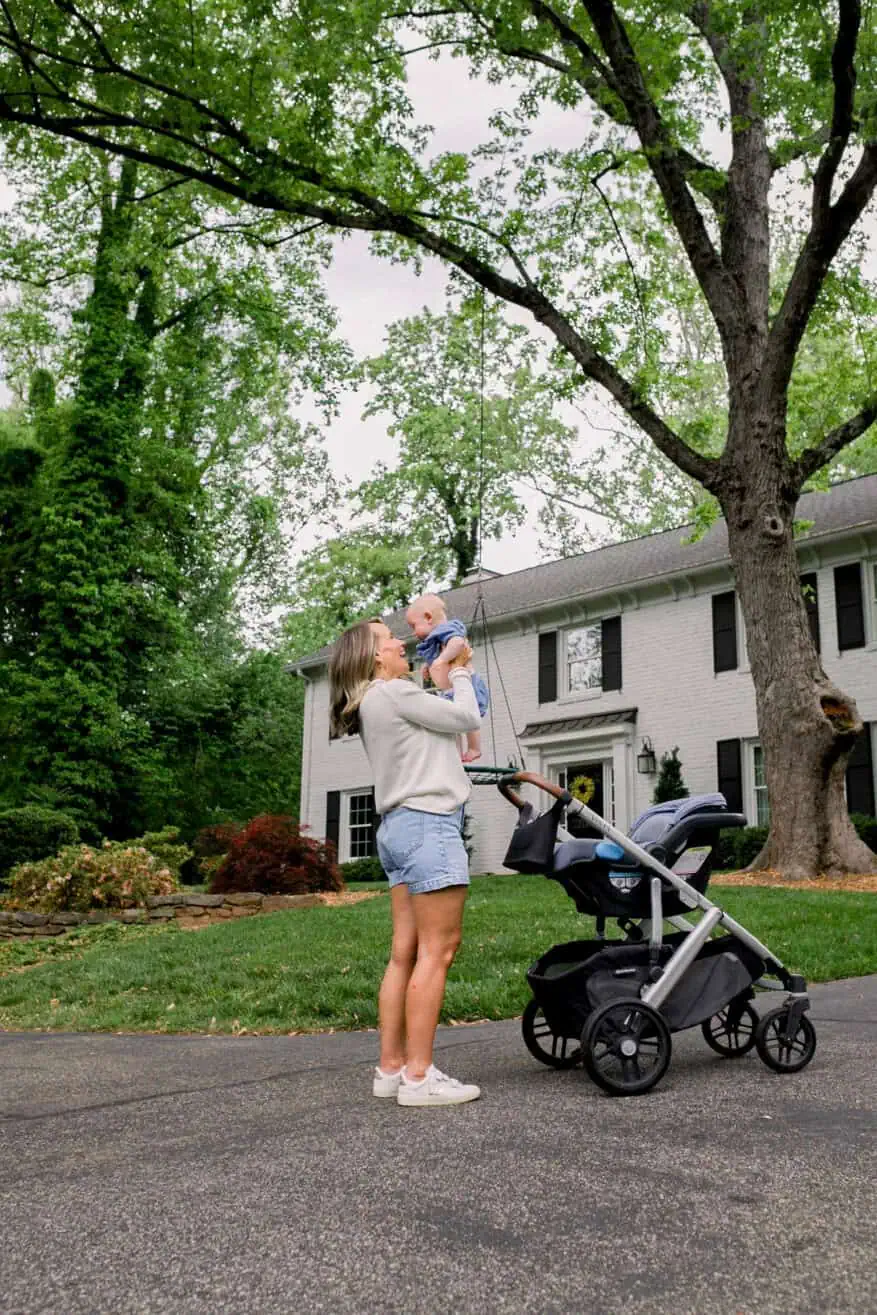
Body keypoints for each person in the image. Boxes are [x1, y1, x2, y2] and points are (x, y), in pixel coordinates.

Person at [328, 617, 482, 1107]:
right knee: (438, 950)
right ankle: (420, 1078)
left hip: (397, 828)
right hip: (428, 823)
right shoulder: (392, 692)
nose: (400, 641)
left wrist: (440, 674)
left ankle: (391, 1068)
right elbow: (464, 719)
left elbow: (435, 724)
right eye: (390, 638)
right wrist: (459, 673)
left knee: (405, 952)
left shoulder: (376, 701)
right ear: (375, 655)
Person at [405, 593, 489, 763]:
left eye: (414, 626)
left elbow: (457, 643)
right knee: (456, 721)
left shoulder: (448, 629)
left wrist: (441, 660)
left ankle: (474, 748)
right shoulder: (438, 637)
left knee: (469, 717)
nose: (414, 633)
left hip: (467, 683)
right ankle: (458, 753)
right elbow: (440, 654)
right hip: (451, 688)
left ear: (428, 617)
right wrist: (429, 665)